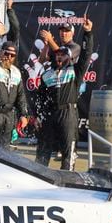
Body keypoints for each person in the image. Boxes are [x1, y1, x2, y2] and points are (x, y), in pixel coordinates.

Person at [35, 16, 94, 170]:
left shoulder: (74, 69)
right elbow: (39, 97)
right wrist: (38, 116)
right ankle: (38, 181)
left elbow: (86, 55)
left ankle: (68, 183)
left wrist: (88, 33)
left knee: (68, 154)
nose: (59, 57)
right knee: (42, 152)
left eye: (63, 55)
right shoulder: (47, 74)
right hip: (50, 113)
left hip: (68, 113)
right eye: (57, 55)